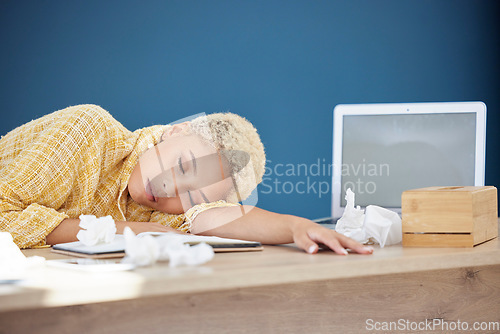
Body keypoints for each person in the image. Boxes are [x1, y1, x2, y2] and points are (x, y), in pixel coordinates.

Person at [0, 104, 373, 255]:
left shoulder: (161, 211)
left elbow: (213, 218)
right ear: (174, 132)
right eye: (183, 166)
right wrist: (122, 229)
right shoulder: (86, 130)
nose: (168, 189)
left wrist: (295, 227)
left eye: (190, 196)